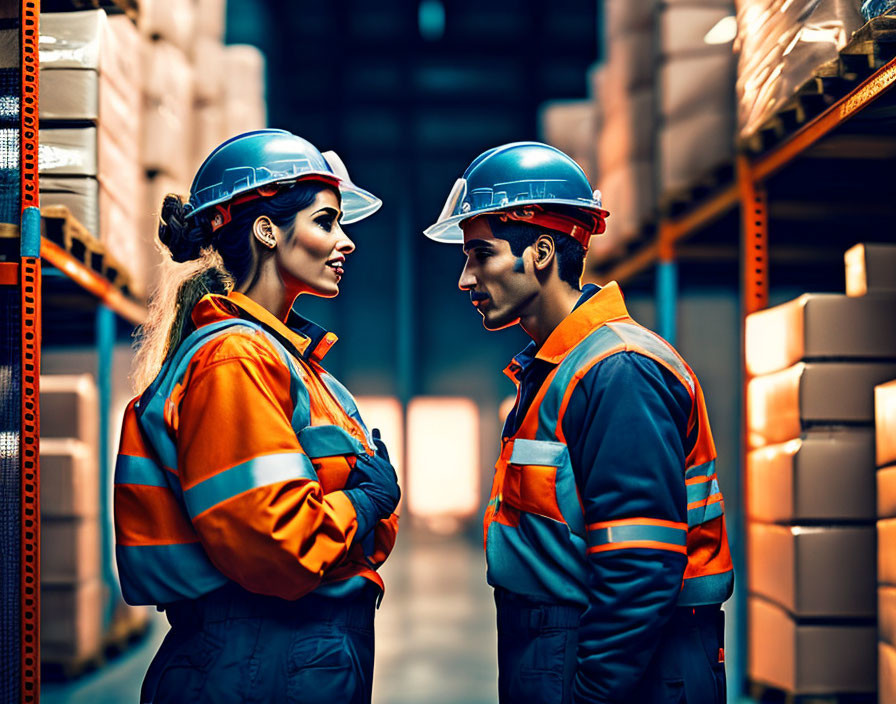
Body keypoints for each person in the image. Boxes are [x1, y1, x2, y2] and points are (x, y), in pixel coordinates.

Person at [424, 142, 734, 704]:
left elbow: (642, 566)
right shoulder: (557, 367)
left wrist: (591, 693)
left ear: (540, 252)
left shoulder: (618, 371)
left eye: (481, 255)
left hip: (617, 663)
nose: (466, 279)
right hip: (560, 644)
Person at [114, 129, 400, 704]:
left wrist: (357, 516)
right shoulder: (236, 357)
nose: (345, 243)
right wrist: (366, 503)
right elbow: (279, 548)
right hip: (261, 659)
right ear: (268, 231)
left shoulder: (277, 357)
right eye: (326, 221)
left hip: (280, 654)